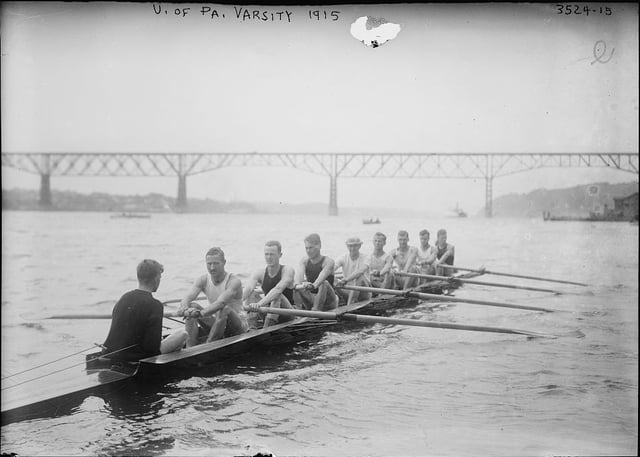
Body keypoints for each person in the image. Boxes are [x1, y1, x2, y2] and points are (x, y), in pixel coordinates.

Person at [102, 259, 187, 362]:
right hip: (138, 358)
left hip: (110, 353)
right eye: (160, 277)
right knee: (183, 334)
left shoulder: (124, 298)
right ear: (156, 279)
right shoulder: (155, 305)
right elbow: (152, 348)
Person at [176, 247, 248, 347]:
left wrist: (201, 313)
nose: (212, 267)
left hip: (238, 325)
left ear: (224, 262)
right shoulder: (203, 279)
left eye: (216, 263)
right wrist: (185, 309)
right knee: (192, 305)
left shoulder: (234, 281)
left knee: (224, 308)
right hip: (218, 322)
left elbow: (221, 303)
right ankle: (190, 347)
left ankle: (209, 345)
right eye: (209, 264)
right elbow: (187, 298)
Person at [243, 240, 296, 329]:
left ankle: (266, 329)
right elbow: (248, 288)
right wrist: (236, 302)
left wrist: (259, 304)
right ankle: (252, 329)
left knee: (277, 295)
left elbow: (278, 290)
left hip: (288, 314)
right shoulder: (260, 273)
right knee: (252, 293)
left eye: (272, 254)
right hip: (269, 311)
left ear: (280, 255)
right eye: (266, 254)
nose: (269, 257)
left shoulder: (287, 270)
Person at [294, 233, 338, 311]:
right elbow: (298, 280)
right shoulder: (304, 261)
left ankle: (315, 311)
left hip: (329, 302)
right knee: (296, 286)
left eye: (311, 248)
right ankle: (298, 311)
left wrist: (313, 285)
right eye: (306, 248)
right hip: (312, 298)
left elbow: (321, 278)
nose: (308, 251)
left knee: (324, 283)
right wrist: (300, 285)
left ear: (319, 246)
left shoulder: (328, 262)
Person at [334, 236, 372, 305]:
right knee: (330, 277)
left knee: (360, 277)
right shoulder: (343, 257)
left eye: (355, 246)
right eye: (350, 246)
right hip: (348, 289)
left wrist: (345, 280)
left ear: (360, 246)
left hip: (364, 291)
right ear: (347, 246)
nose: (352, 248)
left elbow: (360, 271)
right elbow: (333, 267)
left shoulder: (366, 257)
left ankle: (349, 306)